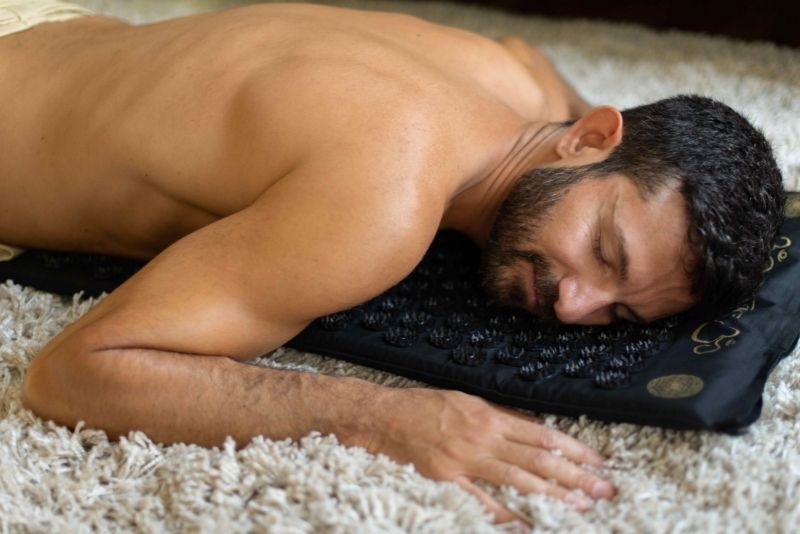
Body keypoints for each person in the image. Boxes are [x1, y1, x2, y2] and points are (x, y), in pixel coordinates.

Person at [1, 0, 784, 524]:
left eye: (618, 312)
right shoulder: (382, 200)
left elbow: (537, 59)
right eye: (604, 250)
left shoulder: (508, 76)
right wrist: (377, 417)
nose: (574, 305)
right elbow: (73, 371)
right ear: (589, 137)